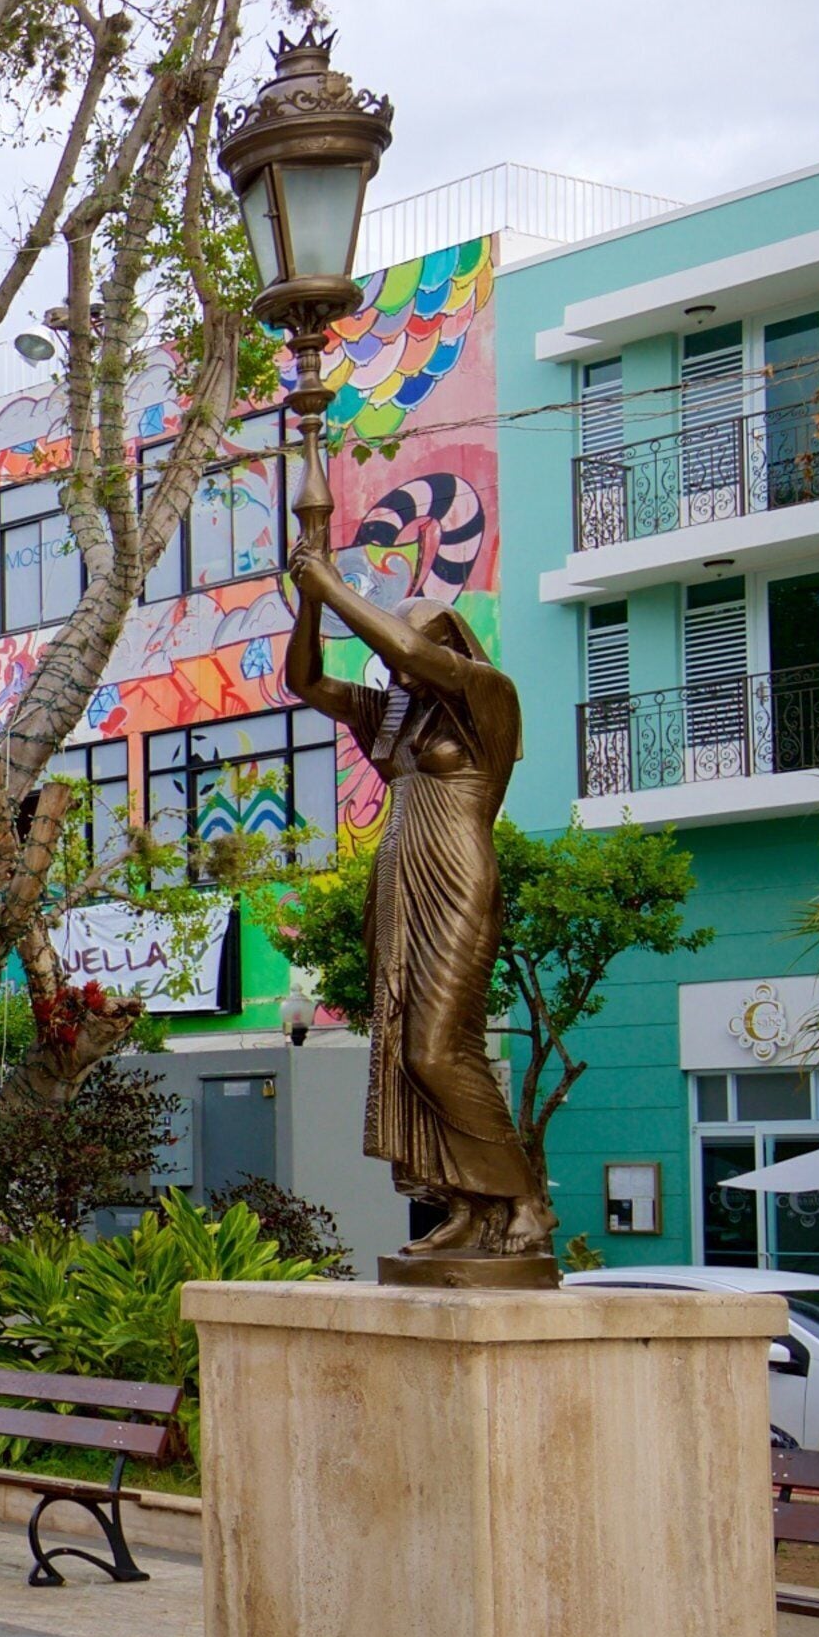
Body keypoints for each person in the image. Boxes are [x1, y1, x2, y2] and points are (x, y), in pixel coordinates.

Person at [284, 536, 552, 1265]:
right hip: (400, 877)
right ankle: (469, 1205)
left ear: (448, 642)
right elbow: (304, 680)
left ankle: (524, 1198)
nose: (399, 660)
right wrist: (310, 600)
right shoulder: (396, 714)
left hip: (457, 872)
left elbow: (412, 648)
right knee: (405, 1049)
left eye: (415, 643)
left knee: (439, 1048)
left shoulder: (488, 698)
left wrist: (335, 587)